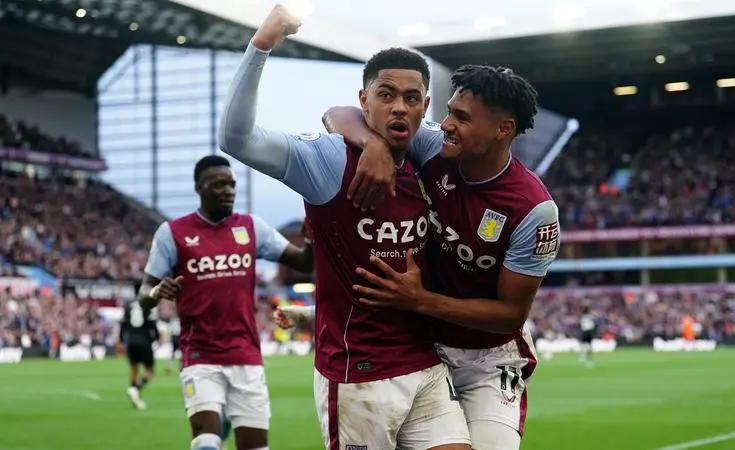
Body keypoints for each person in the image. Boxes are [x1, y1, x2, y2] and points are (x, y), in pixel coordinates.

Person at [217, 5, 471, 450]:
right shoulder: (328, 160)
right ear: (363, 100)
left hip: (426, 364)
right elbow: (238, 139)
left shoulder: (431, 155)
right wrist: (262, 44)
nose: (399, 106)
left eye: (412, 98)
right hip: (359, 374)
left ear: (425, 107)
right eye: (386, 94)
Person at [323, 64, 559, 449]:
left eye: (462, 118)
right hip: (424, 349)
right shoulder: (434, 146)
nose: (446, 124)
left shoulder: (533, 211)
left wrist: (421, 300)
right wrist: (373, 144)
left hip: (488, 360)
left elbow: (510, 314)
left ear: (503, 129)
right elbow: (339, 114)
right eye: (449, 112)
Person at [138, 154, 314, 450]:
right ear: (199, 188)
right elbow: (143, 295)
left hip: (246, 357)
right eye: (218, 184)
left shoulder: (251, 227)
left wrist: (310, 240)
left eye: (231, 184)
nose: (228, 191)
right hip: (200, 357)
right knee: (207, 443)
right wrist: (156, 292)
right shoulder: (173, 233)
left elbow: (304, 262)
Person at [118, 298, 158, 410]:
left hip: (131, 342)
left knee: (134, 369)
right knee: (150, 370)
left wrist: (121, 340)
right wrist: (157, 337)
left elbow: (123, 325)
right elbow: (153, 324)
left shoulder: (128, 306)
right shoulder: (147, 306)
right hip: (144, 342)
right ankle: (136, 389)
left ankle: (135, 396)